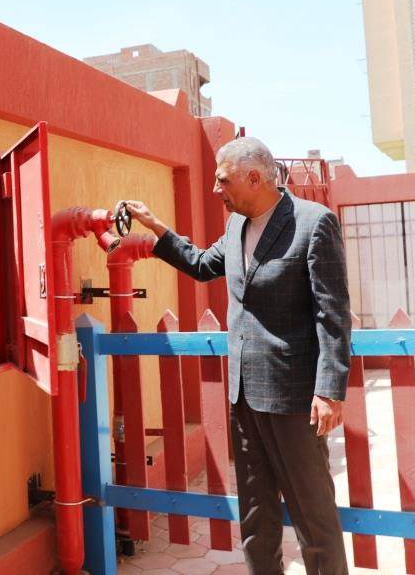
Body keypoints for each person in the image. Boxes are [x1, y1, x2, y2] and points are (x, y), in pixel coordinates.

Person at [124, 137, 350, 575]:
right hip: (244, 398)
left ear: (254, 178)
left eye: (223, 180)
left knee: (314, 518)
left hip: (295, 400)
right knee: (255, 518)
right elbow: (201, 264)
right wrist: (156, 227)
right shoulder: (235, 227)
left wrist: (329, 390)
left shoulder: (313, 223)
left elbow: (333, 314)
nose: (216, 189)